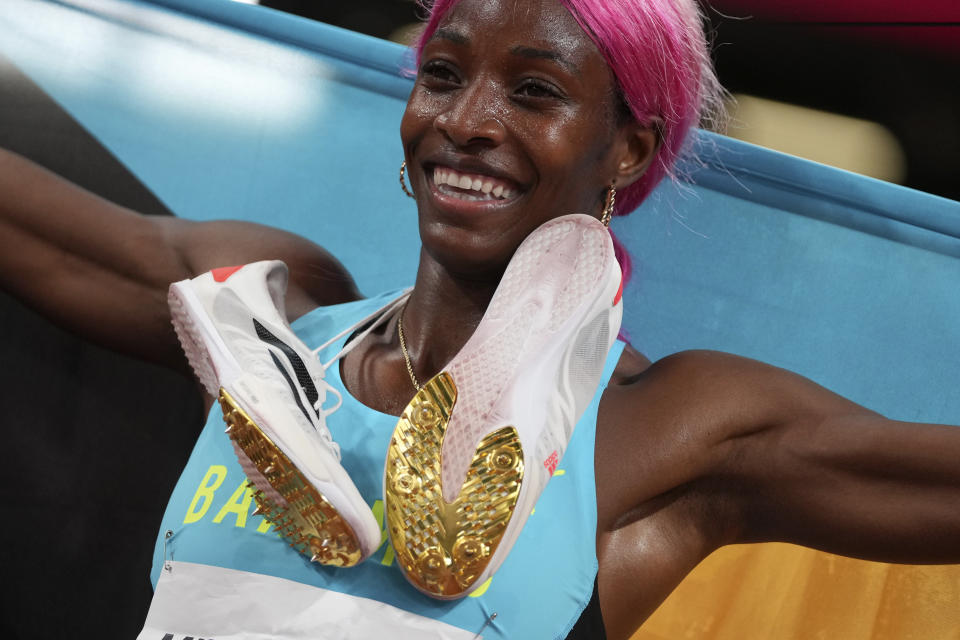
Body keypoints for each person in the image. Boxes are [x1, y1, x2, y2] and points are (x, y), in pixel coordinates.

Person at [1, 0, 958, 638]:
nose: (467, 119)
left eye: (534, 92)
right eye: (445, 76)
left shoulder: (657, 428)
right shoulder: (271, 310)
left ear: (626, 148)